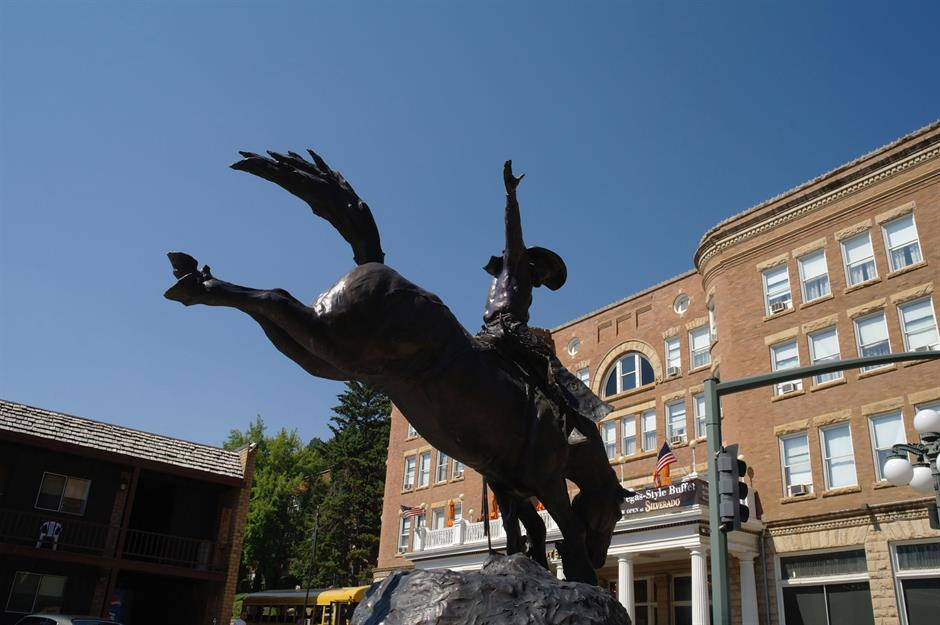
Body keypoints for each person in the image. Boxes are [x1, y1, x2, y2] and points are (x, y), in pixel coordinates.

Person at [478, 161, 611, 443]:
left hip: (488, 330)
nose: (545, 278)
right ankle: (571, 425)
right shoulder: (517, 263)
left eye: (548, 277)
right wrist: (511, 197)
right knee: (552, 367)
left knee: (532, 381)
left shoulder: (510, 274)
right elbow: (513, 232)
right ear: (535, 261)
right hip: (509, 329)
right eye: (547, 272)